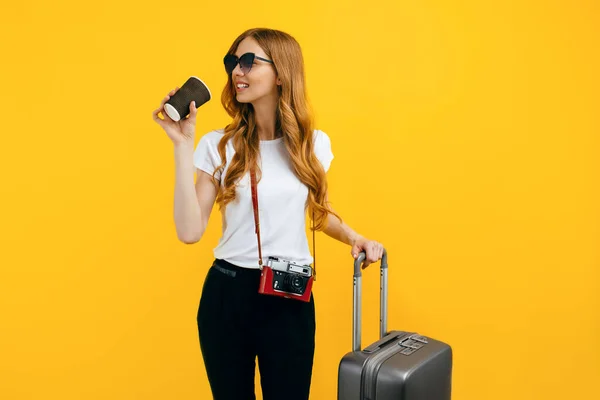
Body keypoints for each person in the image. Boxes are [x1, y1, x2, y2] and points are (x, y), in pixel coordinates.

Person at [152, 28, 384, 400]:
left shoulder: (312, 145)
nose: (236, 72)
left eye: (248, 62)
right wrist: (183, 145)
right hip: (227, 294)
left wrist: (356, 238)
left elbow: (316, 214)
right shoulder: (218, 145)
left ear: (281, 73)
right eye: (232, 63)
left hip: (289, 296)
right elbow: (190, 230)